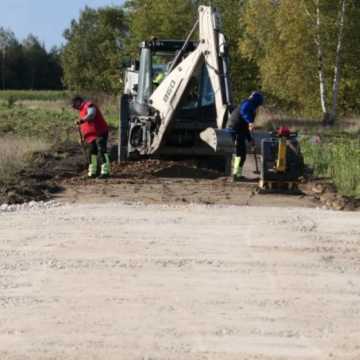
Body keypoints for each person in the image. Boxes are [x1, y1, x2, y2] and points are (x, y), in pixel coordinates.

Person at [226, 91, 264, 180]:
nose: (258, 107)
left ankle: (237, 174)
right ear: (256, 101)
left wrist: (250, 139)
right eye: (258, 105)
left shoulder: (250, 105)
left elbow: (245, 127)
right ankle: (236, 175)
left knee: (242, 154)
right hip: (235, 129)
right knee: (240, 154)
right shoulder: (248, 104)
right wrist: (250, 122)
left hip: (240, 129)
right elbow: (244, 112)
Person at [71, 96, 110, 178]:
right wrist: (83, 137)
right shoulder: (81, 111)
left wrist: (81, 120)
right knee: (92, 153)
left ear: (78, 101)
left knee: (101, 150)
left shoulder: (89, 105)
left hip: (100, 132)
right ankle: (92, 172)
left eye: (74, 104)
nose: (73, 107)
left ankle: (105, 172)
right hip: (91, 136)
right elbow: (85, 126)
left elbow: (91, 115)